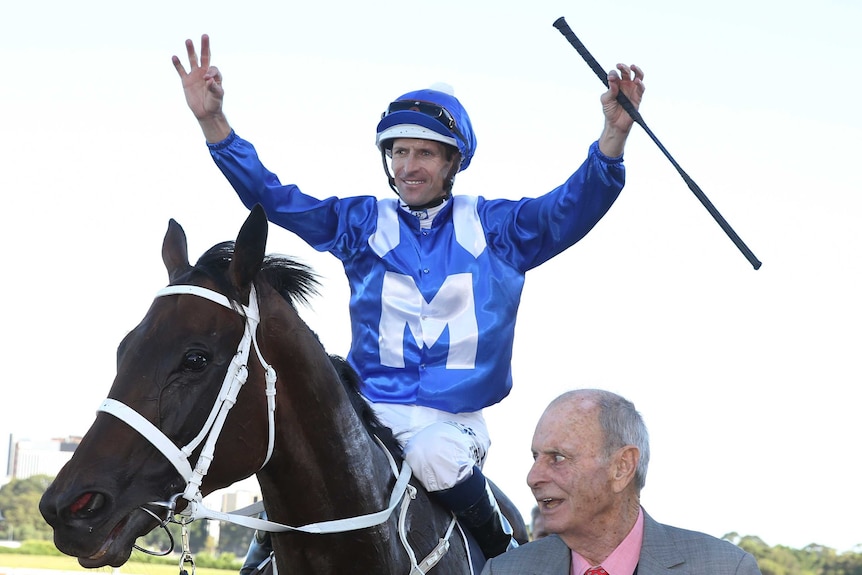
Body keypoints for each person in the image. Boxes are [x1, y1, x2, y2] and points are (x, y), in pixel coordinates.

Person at [172, 35, 645, 559]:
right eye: (399, 152)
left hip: (454, 422)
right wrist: (213, 124)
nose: (408, 166)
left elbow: (573, 206)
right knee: (304, 450)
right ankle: (265, 551)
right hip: (369, 411)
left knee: (434, 453)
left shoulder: (500, 229)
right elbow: (276, 198)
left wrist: (613, 134)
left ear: (452, 162)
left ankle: (506, 552)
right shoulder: (361, 224)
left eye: (424, 153)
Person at [481, 389, 763, 574]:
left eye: (558, 458)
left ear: (622, 467)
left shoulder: (726, 569)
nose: (533, 478)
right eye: (535, 457)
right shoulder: (503, 571)